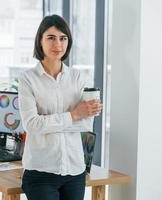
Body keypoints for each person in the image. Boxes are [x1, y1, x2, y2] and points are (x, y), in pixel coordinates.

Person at [18, 15, 102, 200]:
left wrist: (48, 123)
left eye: (63, 38)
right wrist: (74, 115)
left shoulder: (79, 78)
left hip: (75, 171)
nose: (58, 44)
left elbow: (87, 124)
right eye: (51, 37)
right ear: (40, 41)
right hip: (41, 173)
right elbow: (31, 125)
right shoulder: (27, 79)